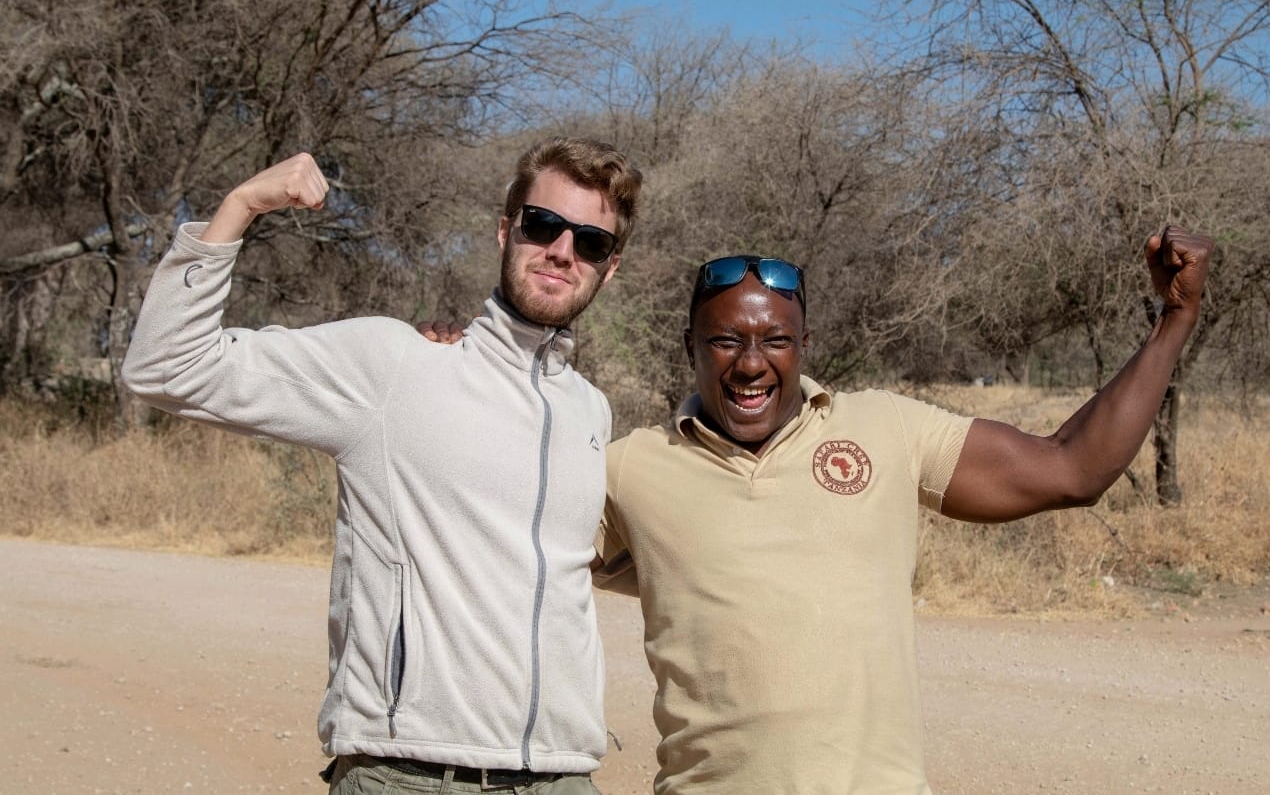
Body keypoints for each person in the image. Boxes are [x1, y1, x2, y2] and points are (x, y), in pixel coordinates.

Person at [587, 230, 1212, 793]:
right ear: (689, 346)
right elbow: (512, 560)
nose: (751, 363)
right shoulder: (632, 469)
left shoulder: (886, 428)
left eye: (775, 340)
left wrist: (1174, 320)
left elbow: (1073, 469)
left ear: (805, 345)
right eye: (726, 340)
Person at [121, 137, 643, 794]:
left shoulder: (589, 412)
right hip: (410, 773)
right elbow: (167, 367)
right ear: (506, 230)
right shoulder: (395, 366)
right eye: (544, 226)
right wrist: (242, 205)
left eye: (590, 242)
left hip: (563, 777)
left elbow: (566, 569)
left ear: (609, 266)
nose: (563, 251)